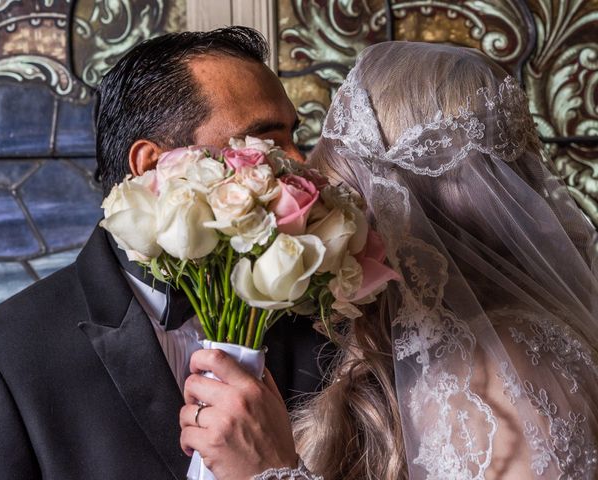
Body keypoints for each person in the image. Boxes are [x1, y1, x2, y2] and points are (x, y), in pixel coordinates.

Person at [181, 41, 598, 479]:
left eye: (344, 204)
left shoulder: (513, 372)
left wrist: (268, 471)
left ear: (394, 202)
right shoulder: (426, 342)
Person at [0, 27, 328, 479]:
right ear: (155, 167)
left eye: (295, 135)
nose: (300, 162)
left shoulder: (320, 324)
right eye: (267, 141)